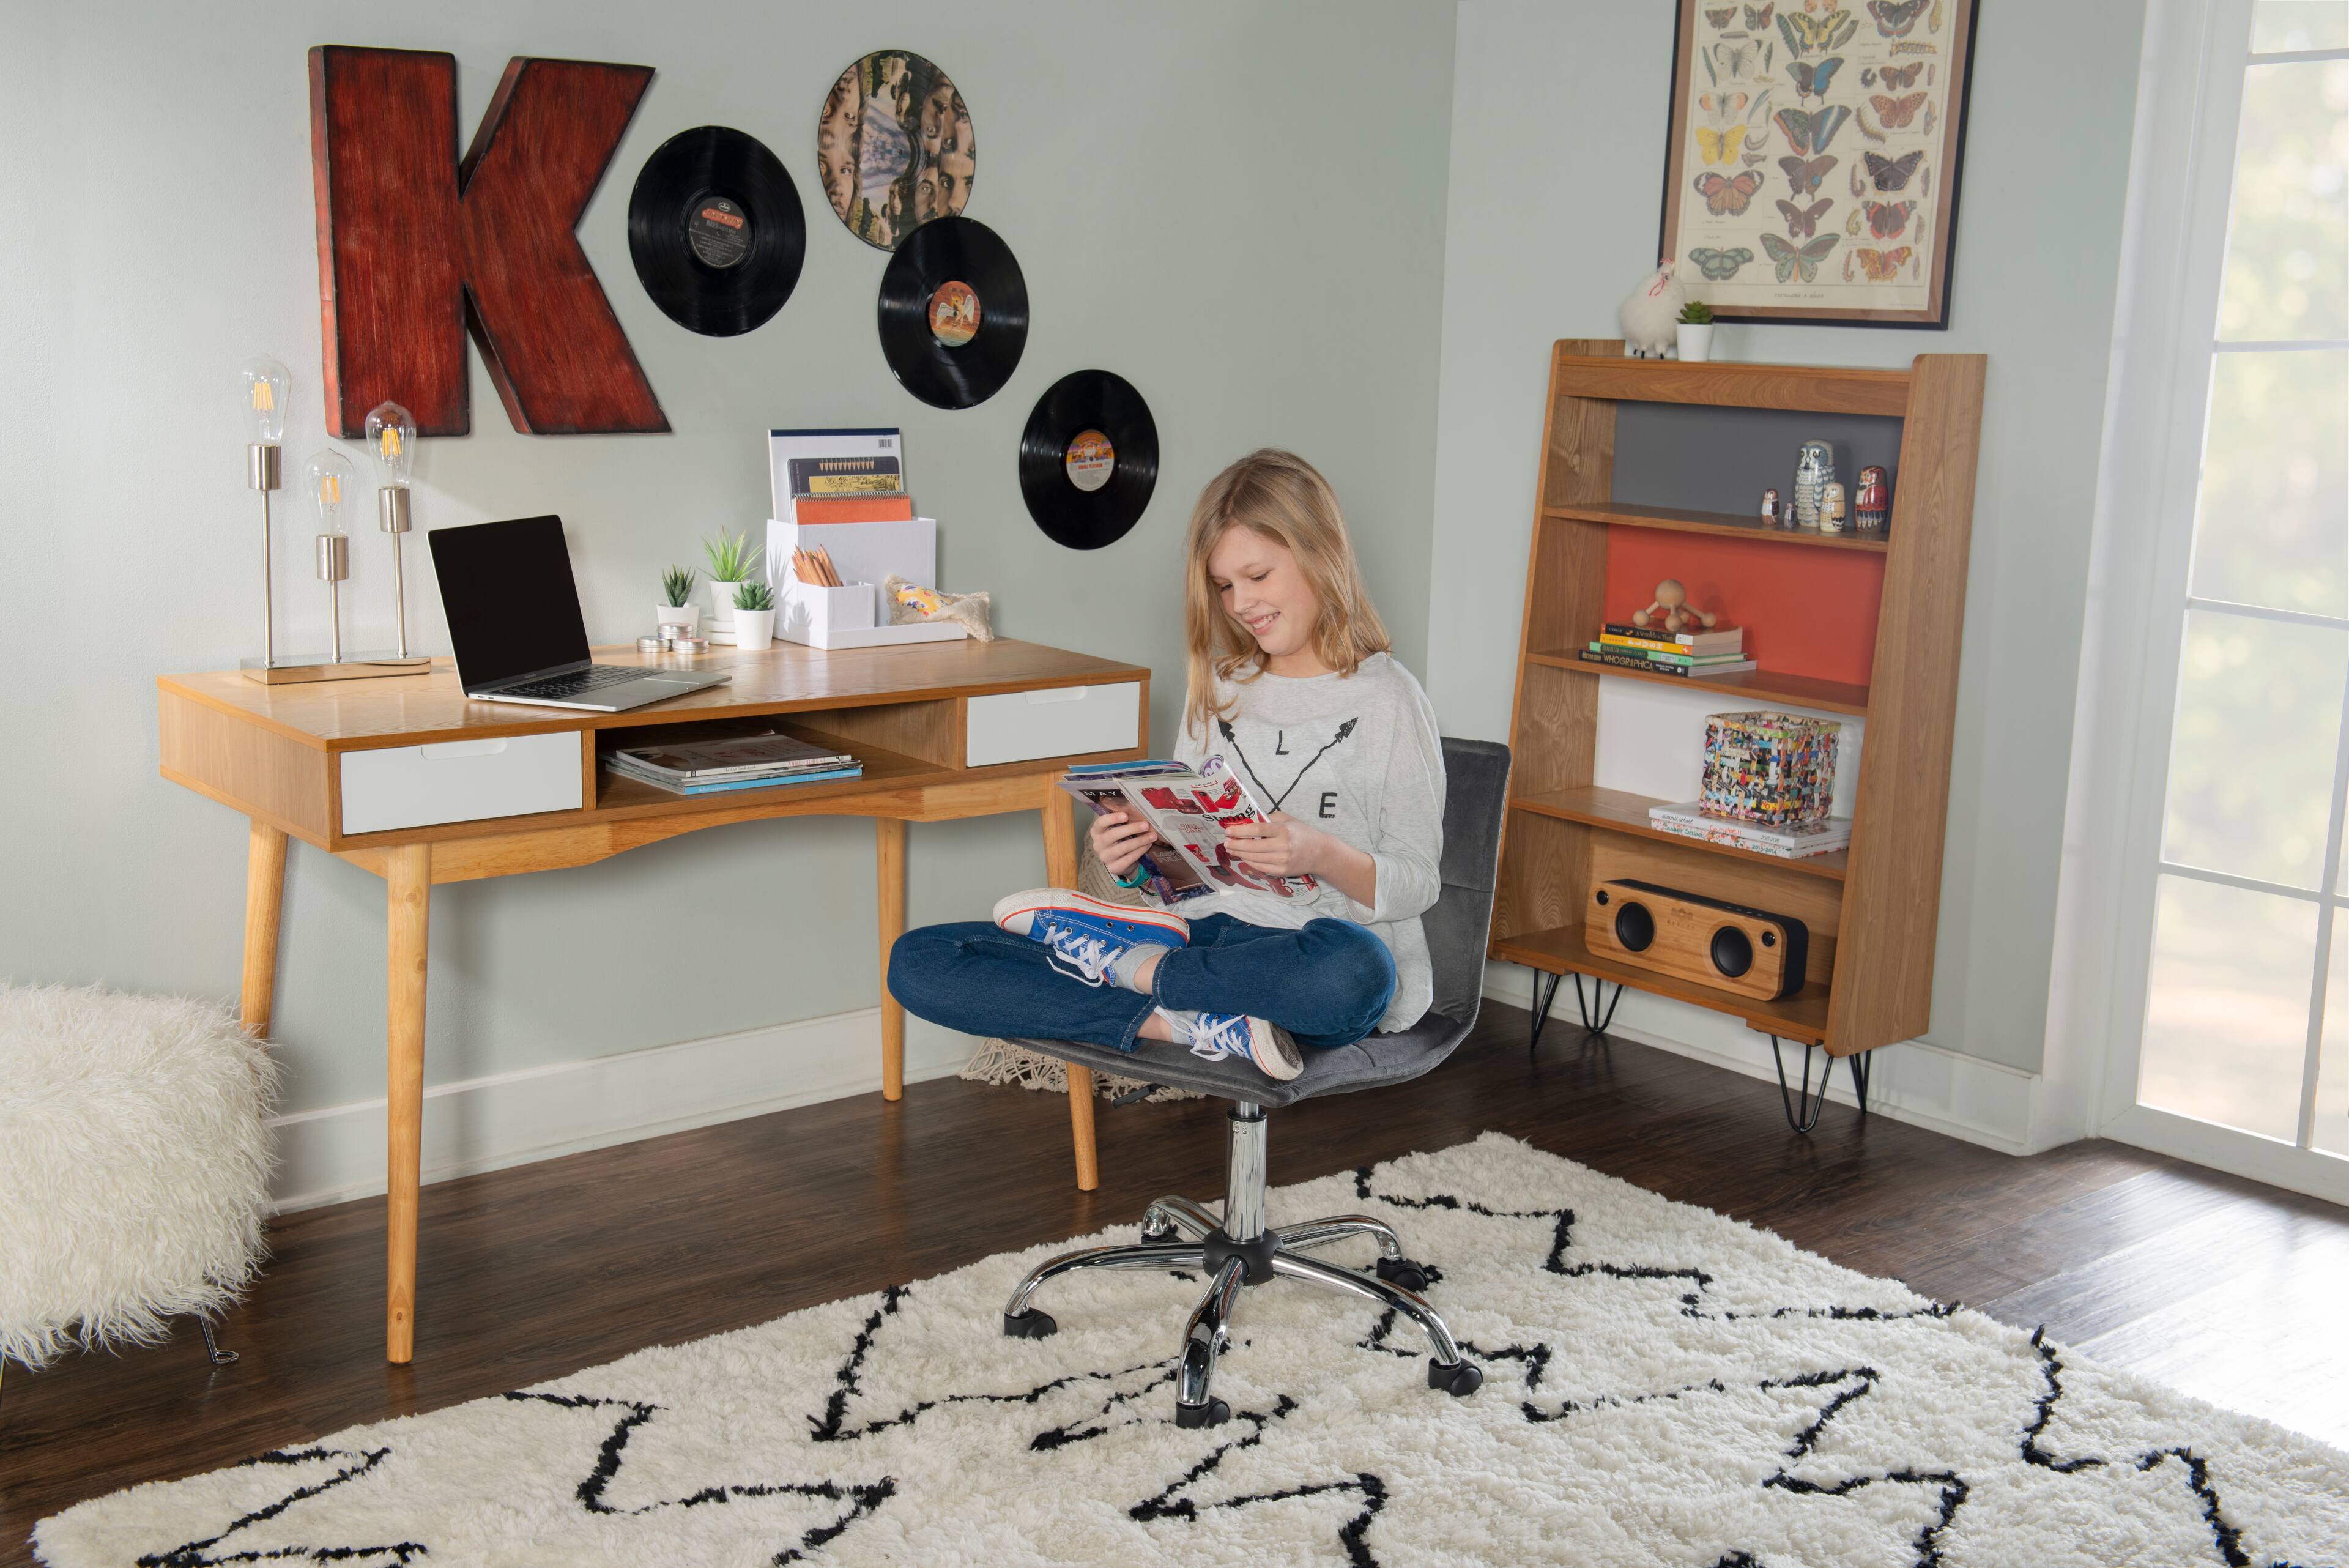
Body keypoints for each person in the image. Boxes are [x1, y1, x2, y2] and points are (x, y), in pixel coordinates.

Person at [886, 450, 1444, 1082]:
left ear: (1320, 553)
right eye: (1226, 585)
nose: (1240, 603)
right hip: (1199, 938)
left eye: (1257, 576)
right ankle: (1179, 1019)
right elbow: (1186, 880)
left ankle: (1139, 978)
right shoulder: (1221, 685)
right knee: (921, 959)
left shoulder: (1388, 697)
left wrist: (1321, 854)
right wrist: (1134, 865)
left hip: (1305, 958)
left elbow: (1419, 881)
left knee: (1357, 973)